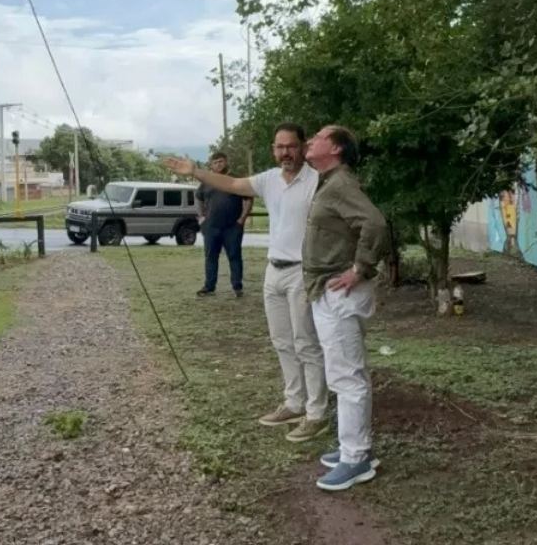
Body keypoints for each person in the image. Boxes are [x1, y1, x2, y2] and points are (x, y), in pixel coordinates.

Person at [163, 124, 329, 444]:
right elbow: (232, 183)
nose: (285, 153)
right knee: (282, 341)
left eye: (291, 146)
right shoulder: (268, 180)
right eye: (279, 147)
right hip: (274, 270)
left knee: (306, 342)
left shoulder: (317, 181)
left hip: (303, 271)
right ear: (273, 149)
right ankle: (294, 403)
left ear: (303, 147)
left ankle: (316, 412)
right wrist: (195, 171)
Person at [300, 125, 389, 492]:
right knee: (346, 372)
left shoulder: (340, 185)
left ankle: (356, 458)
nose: (310, 141)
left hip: (338, 291)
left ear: (334, 148)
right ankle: (353, 446)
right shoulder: (330, 182)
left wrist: (359, 269)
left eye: (318, 137)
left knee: (347, 375)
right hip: (329, 290)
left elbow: (375, 224)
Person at [195, 152, 252, 298]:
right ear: (211, 165)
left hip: (232, 227)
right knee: (210, 257)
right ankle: (209, 287)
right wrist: (201, 218)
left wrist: (242, 219)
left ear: (226, 162)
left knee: (234, 256)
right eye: (215, 162)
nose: (218, 164)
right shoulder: (206, 182)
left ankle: (237, 287)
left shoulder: (236, 179)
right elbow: (198, 198)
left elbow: (248, 199)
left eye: (221, 161)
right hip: (211, 227)